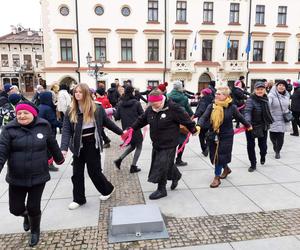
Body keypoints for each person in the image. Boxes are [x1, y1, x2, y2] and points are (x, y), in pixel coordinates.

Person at [0, 101, 64, 247]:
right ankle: (26, 216)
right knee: (15, 209)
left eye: (25, 113)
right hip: (16, 177)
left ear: (33, 114)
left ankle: (35, 230)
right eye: (19, 113)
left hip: (38, 175)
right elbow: (1, 151)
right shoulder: (8, 129)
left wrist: (59, 158)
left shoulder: (44, 126)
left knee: (34, 206)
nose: (22, 115)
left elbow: (52, 143)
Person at [60, 83, 124, 210]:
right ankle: (79, 199)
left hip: (92, 144)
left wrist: (122, 133)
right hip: (78, 145)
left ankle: (107, 190)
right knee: (76, 173)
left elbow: (108, 123)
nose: (77, 94)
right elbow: (66, 130)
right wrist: (64, 148)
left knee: (94, 172)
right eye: (75, 92)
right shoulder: (70, 109)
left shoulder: (97, 108)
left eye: (80, 92)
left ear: (86, 93)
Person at [129, 89, 199, 199]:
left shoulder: (173, 108)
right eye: (150, 103)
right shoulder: (150, 109)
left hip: (169, 142)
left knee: (161, 165)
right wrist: (132, 129)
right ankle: (176, 176)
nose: (153, 105)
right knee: (167, 163)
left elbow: (186, 119)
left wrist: (193, 129)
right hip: (157, 142)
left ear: (161, 100)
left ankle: (161, 189)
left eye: (155, 103)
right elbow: (142, 120)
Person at [197, 86, 251, 188]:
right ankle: (226, 168)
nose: (216, 95)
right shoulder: (212, 106)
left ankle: (216, 178)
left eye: (219, 94)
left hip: (226, 135)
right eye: (216, 93)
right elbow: (204, 116)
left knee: (219, 156)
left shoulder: (232, 107)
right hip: (213, 134)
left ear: (226, 96)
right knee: (214, 155)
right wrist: (198, 125)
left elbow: (240, 117)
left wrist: (248, 125)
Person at [114, 86, 144, 173]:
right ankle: (133, 166)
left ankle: (119, 160)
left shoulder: (120, 103)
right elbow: (142, 115)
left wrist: (114, 111)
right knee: (139, 146)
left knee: (133, 145)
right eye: (134, 91)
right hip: (135, 127)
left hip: (126, 130)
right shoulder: (137, 103)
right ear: (132, 93)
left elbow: (117, 117)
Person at [244, 82, 273, 172]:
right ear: (254, 90)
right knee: (250, 145)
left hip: (263, 125)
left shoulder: (266, 99)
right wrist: (248, 123)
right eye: (258, 89)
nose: (260, 91)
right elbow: (247, 111)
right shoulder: (250, 100)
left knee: (263, 145)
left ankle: (263, 155)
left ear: (264, 90)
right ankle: (253, 163)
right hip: (251, 126)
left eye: (261, 89)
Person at [167, 80, 194, 166]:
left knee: (171, 142)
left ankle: (169, 160)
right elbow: (189, 111)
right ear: (180, 87)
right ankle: (178, 159)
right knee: (182, 142)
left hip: (170, 123)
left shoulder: (168, 96)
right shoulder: (184, 98)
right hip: (182, 123)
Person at [38, 91, 62, 171]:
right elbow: (53, 122)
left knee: (45, 149)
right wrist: (63, 125)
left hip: (41, 131)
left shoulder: (40, 106)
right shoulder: (47, 108)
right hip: (49, 131)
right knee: (50, 149)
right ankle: (50, 164)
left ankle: (45, 164)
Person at [268, 80, 290, 159]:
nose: (281, 87)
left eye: (283, 85)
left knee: (281, 136)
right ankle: (274, 145)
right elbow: (268, 105)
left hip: (283, 118)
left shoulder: (287, 95)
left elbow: (287, 105)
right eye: (280, 85)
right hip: (273, 118)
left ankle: (278, 151)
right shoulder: (271, 95)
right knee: (273, 136)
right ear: (276, 86)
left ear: (285, 87)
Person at [194, 88, 213, 156]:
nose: (201, 94)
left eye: (202, 93)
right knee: (208, 135)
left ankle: (204, 149)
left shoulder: (203, 101)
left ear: (204, 94)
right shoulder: (212, 100)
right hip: (210, 121)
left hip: (203, 121)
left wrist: (194, 116)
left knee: (201, 136)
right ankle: (207, 146)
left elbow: (200, 111)